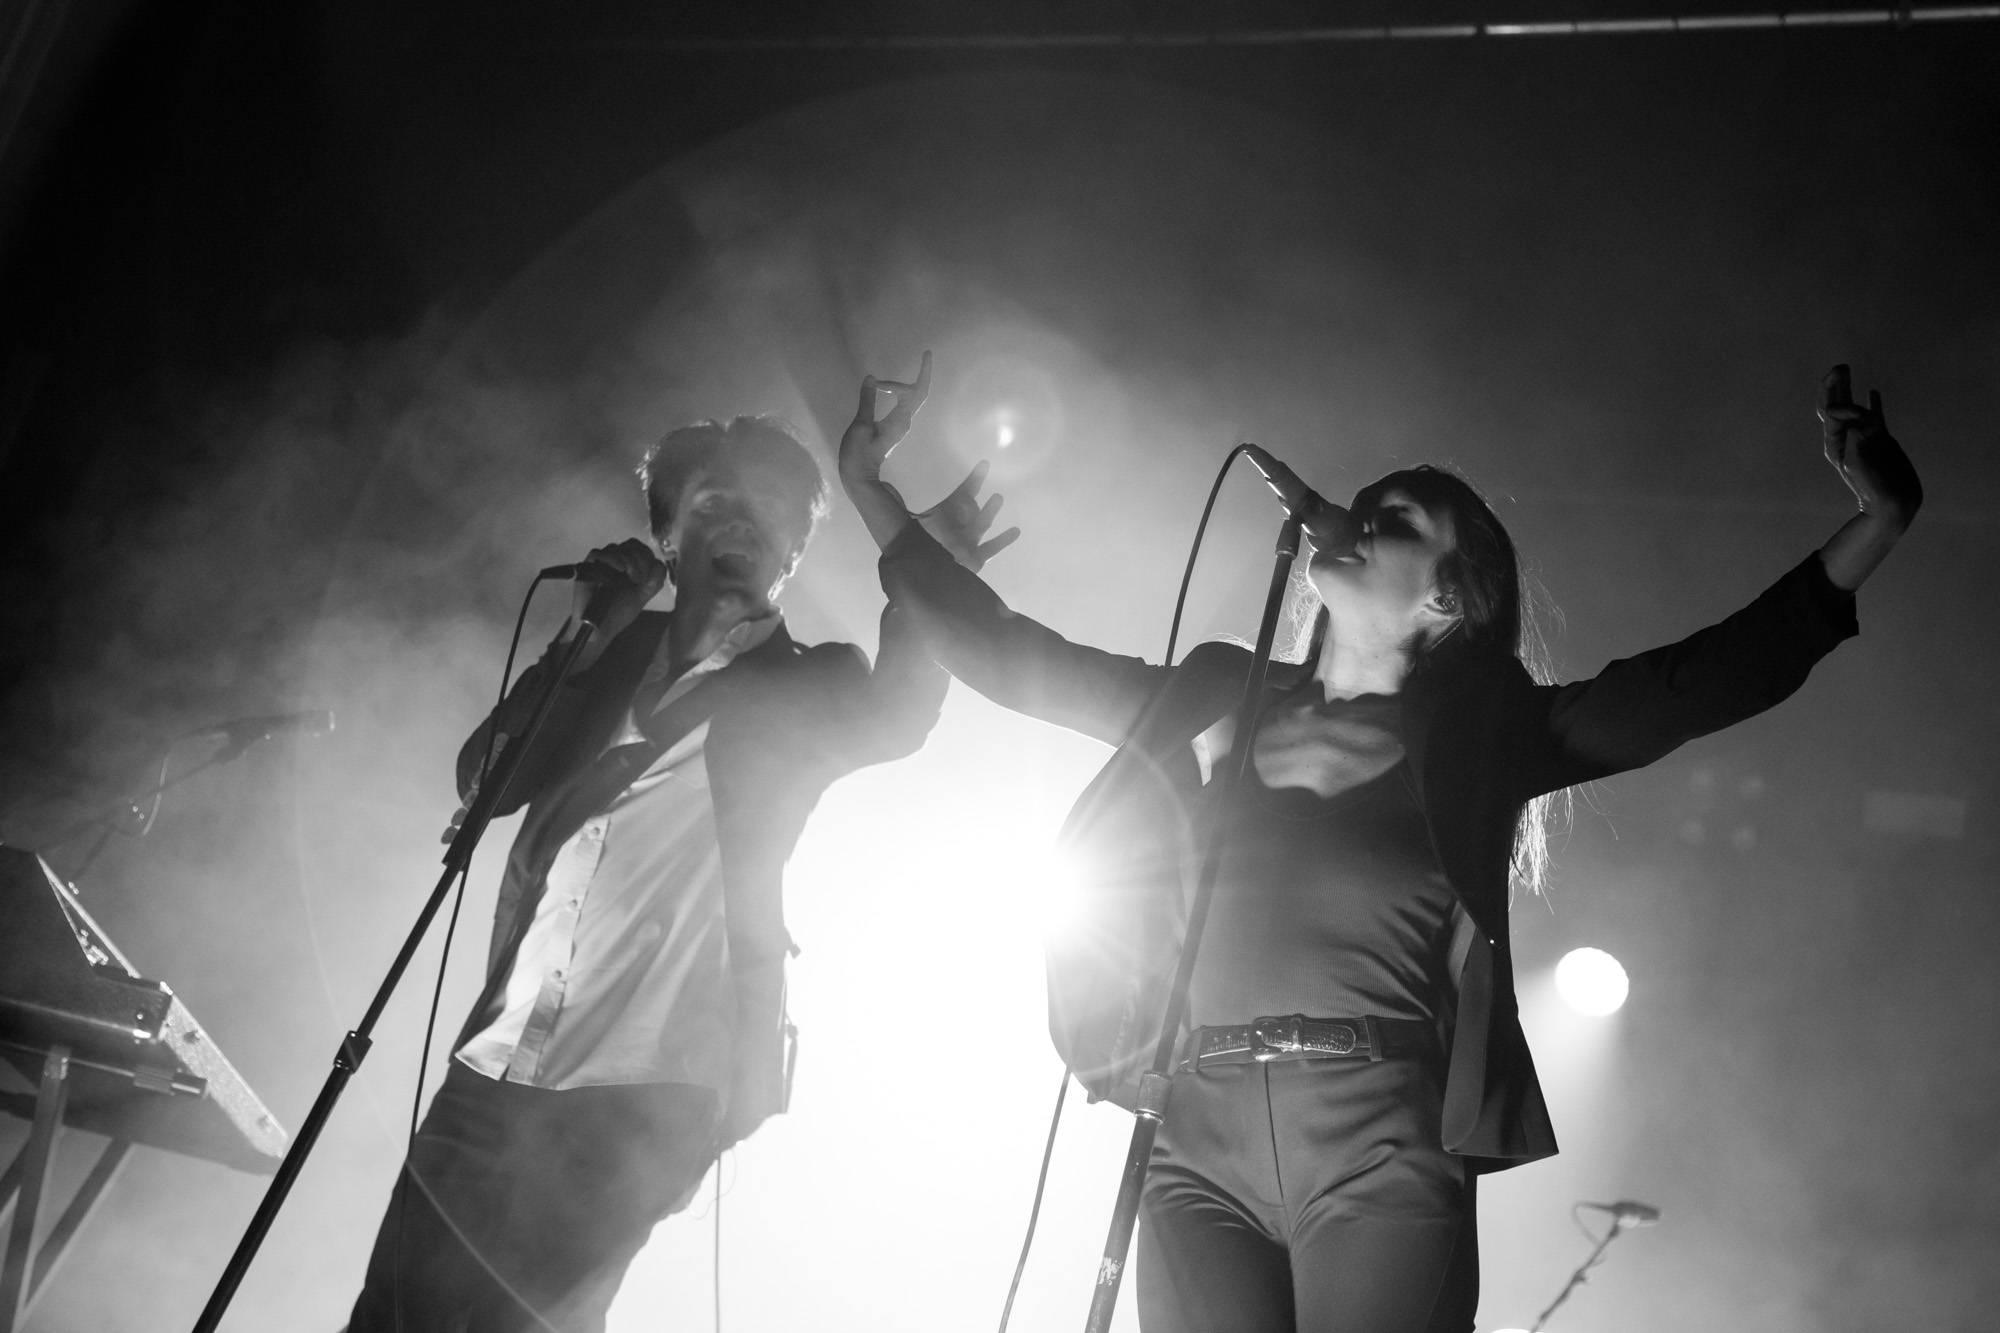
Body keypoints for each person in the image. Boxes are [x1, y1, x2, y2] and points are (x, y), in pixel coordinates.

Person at [839, 358, 1920, 1333]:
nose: (1354, 522)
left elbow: (1693, 681)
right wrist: (873, 496)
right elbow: (1015, 655)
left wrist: (1875, 520)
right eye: (1355, 511)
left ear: (1448, 593)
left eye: (1391, 520)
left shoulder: (1488, 729)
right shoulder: (1220, 692)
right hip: (1192, 1136)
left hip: (1377, 1143)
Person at [346, 413, 948, 1332]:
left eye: (774, 511)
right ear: (668, 534)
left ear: (793, 554)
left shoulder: (812, 680)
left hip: (640, 1099)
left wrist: (927, 558)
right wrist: (582, 643)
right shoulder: (613, 650)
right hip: (492, 1070)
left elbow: (901, 715)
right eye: (718, 501)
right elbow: (486, 779)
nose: (747, 521)